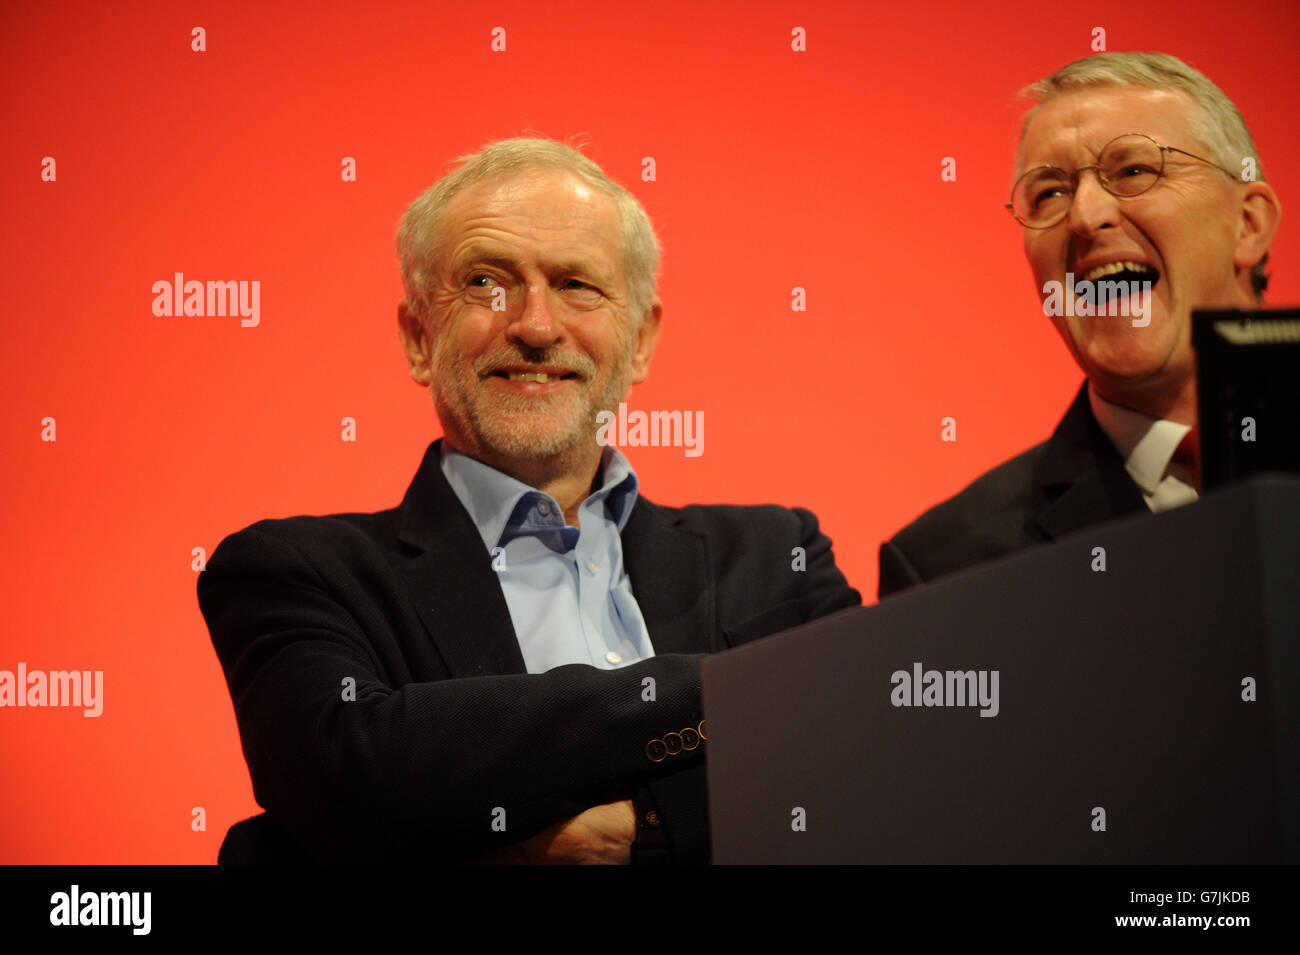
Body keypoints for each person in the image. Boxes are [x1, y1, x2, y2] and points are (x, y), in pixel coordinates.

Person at [198, 137, 860, 864]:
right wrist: (751, 692)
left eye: (577, 284)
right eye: (486, 282)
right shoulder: (298, 572)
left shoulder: (777, 554)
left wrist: (644, 827)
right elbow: (354, 772)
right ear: (419, 337)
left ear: (640, 340)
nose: (537, 326)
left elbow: (871, 765)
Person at [878, 52, 1281, 597]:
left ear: (1248, 223)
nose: (1085, 216)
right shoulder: (951, 568)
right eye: (1049, 193)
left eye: (1134, 170)